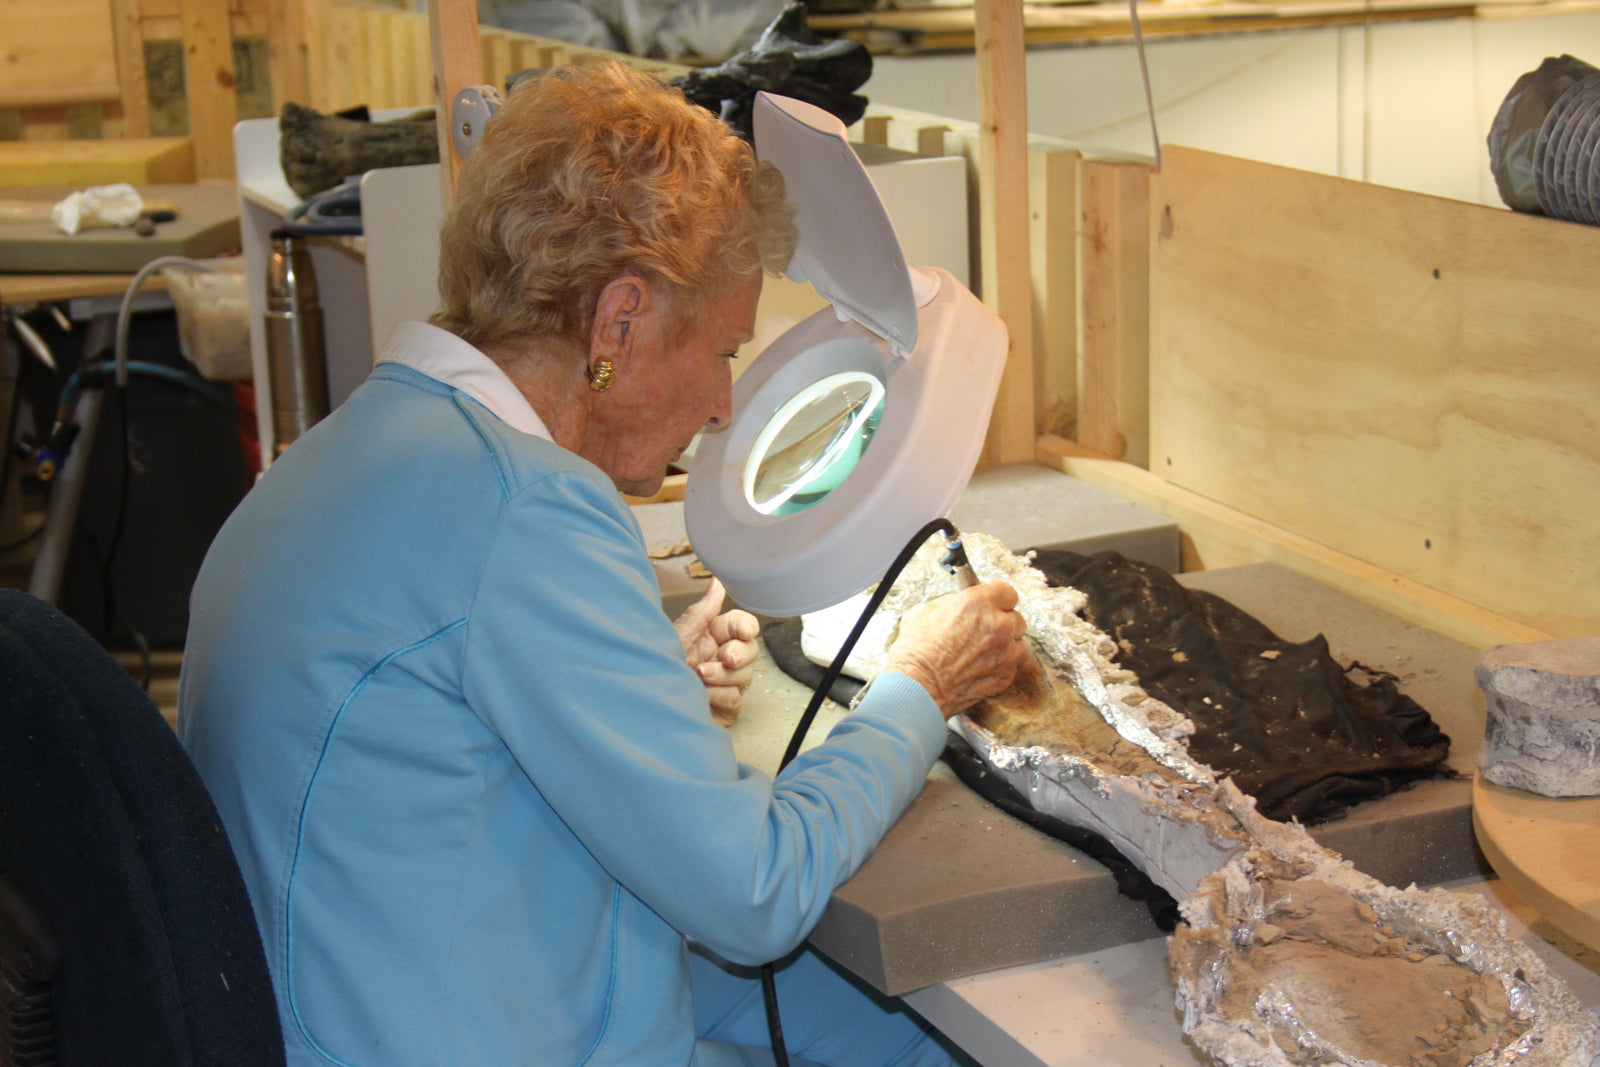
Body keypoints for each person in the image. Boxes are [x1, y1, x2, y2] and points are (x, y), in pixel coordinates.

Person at [177, 58, 1027, 1067]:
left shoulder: (354, 449)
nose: (722, 404)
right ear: (619, 320)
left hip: (370, 997)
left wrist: (641, 673)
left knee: (900, 1025)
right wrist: (920, 686)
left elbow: (437, 728)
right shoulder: (525, 512)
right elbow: (754, 892)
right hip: (441, 1033)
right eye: (721, 348)